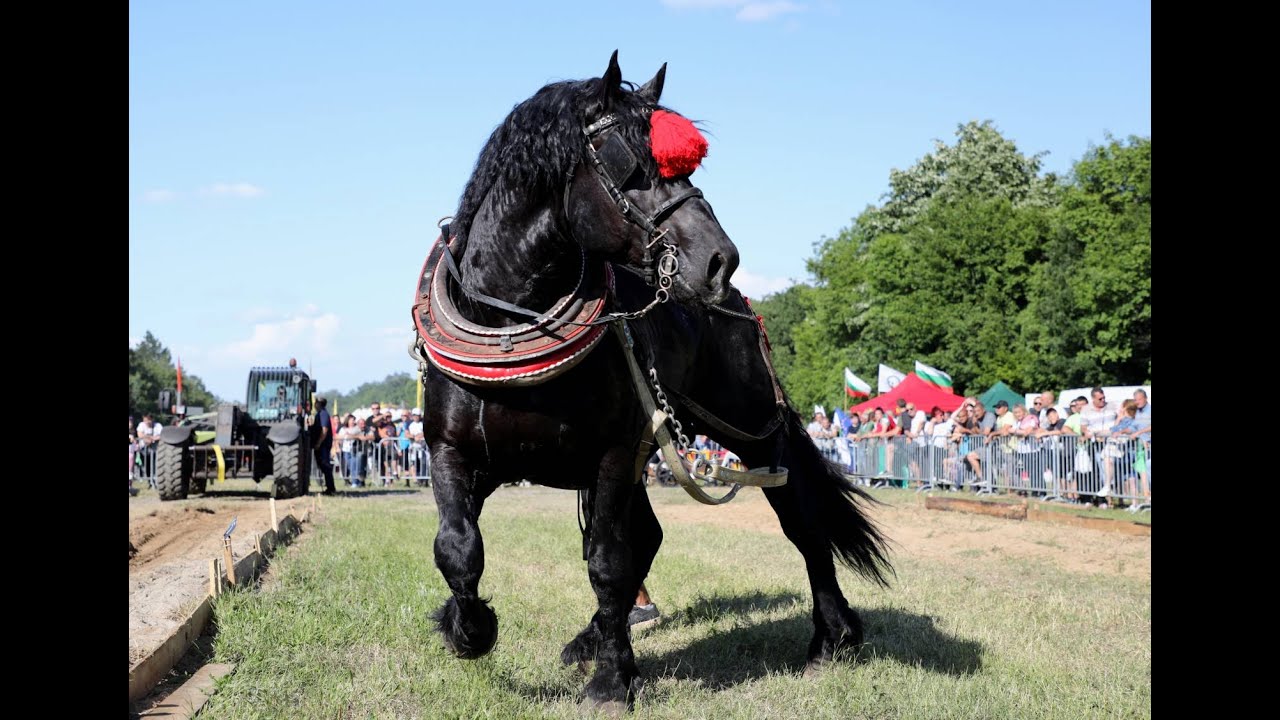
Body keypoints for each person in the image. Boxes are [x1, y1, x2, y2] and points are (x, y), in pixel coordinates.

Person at [313, 397, 336, 495]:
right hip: (322, 445)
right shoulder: (320, 414)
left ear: (319, 404)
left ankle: (330, 488)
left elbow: (324, 430)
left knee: (325, 466)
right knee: (323, 466)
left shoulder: (323, 414)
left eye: (316, 403)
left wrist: (318, 443)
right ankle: (329, 487)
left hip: (323, 445)